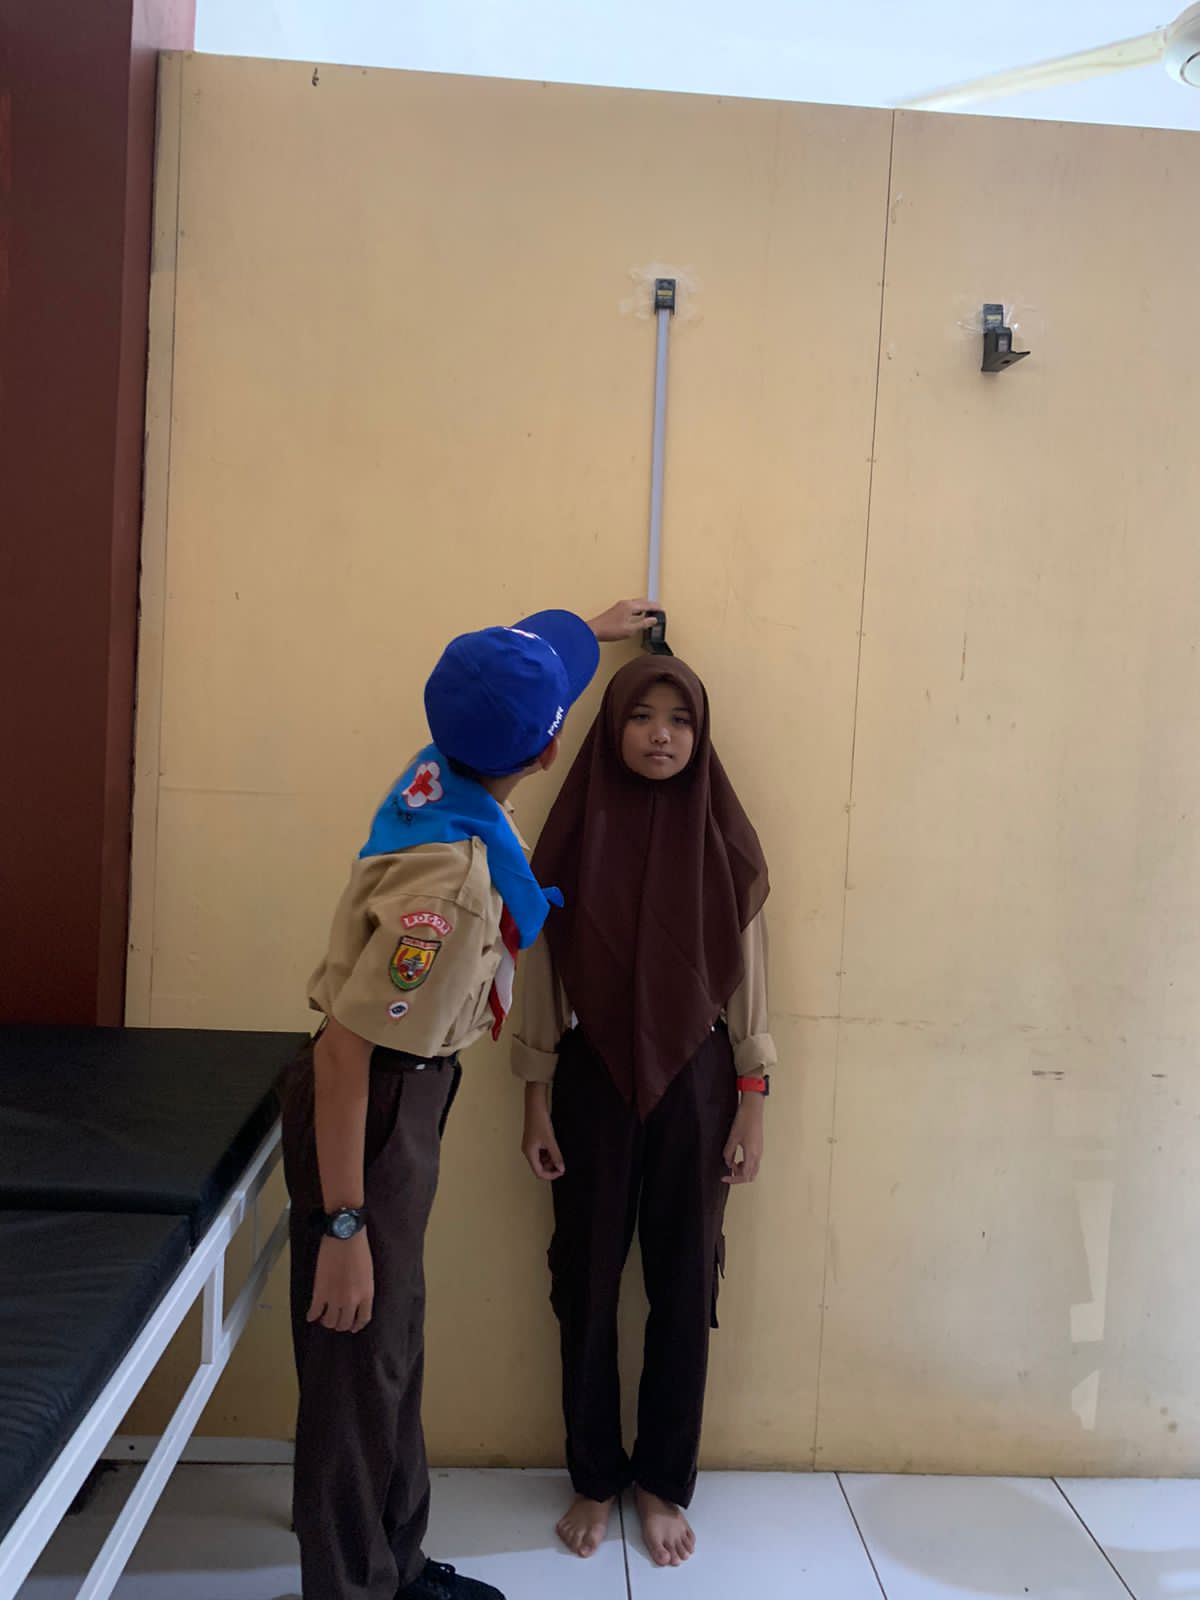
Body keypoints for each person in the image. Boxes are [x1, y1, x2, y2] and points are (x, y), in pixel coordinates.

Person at [282, 599, 654, 1600]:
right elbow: (345, 1052)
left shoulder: (442, 772)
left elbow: (505, 678)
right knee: (359, 1353)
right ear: (547, 752)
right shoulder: (447, 887)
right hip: (370, 1108)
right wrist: (346, 1225)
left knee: (393, 1339)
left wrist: (587, 626)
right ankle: (351, 1588)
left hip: (402, 1097)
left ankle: (397, 1565)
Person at [514, 654, 775, 1569]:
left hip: (699, 1082)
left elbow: (751, 986)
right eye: (641, 716)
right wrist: (536, 1096)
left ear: (700, 736)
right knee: (584, 1281)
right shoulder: (572, 836)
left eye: (680, 719)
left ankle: (663, 1480)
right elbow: (541, 973)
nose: (661, 734)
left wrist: (751, 1101)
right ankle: (595, 1475)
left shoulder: (725, 843)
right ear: (611, 728)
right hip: (589, 1076)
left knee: (686, 1282)